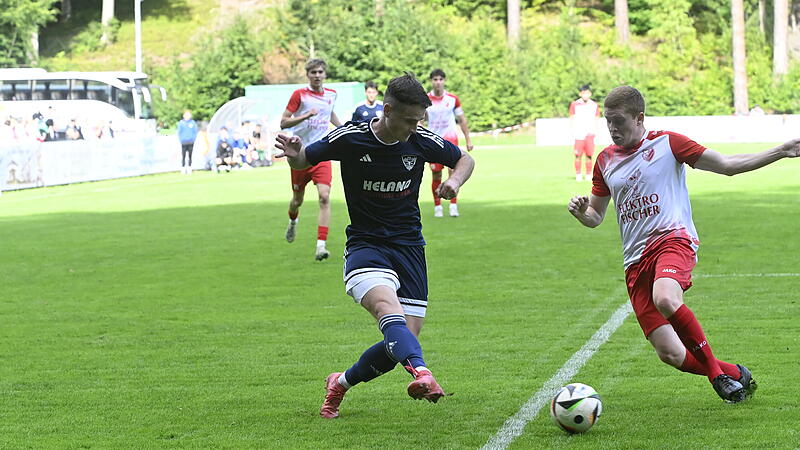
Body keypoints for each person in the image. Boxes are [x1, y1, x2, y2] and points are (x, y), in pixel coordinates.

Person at [568, 85, 800, 403]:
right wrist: (583, 213)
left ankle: (718, 378)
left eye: (618, 121)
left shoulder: (668, 143)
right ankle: (734, 373)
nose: (612, 128)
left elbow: (728, 165)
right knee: (671, 354)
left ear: (639, 118)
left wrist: (781, 151)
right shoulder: (605, 160)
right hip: (635, 262)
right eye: (607, 121)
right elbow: (596, 217)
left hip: (672, 240)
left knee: (665, 296)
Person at [275, 73, 475, 419]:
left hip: (410, 247)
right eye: (410, 120)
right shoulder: (352, 137)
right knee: (389, 313)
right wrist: (295, 156)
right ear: (386, 111)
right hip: (366, 247)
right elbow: (303, 157)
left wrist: (454, 181)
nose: (415, 127)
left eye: (419, 121)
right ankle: (422, 372)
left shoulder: (419, 139)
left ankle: (340, 383)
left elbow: (464, 159)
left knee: (400, 340)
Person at [280, 58, 342, 261]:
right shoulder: (300, 95)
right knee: (297, 200)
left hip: (321, 153)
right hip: (299, 155)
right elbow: (284, 122)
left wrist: (342, 129)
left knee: (324, 197)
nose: (317, 75)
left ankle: (320, 246)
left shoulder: (332, 95)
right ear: (308, 74)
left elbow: (329, 113)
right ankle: (292, 220)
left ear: (325, 74)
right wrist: (305, 115)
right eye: (313, 72)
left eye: (320, 72)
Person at [426, 69, 473, 217]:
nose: (438, 82)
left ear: (444, 81)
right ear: (431, 81)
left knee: (453, 174)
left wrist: (468, 139)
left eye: (440, 79)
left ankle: (453, 205)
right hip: (433, 142)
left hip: (450, 140)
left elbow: (462, 119)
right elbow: (420, 120)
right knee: (436, 175)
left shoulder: (452, 99)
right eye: (435, 79)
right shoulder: (426, 100)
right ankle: (438, 206)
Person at [569, 84, 601, 182]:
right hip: (579, 134)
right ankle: (578, 174)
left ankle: (588, 174)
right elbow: (572, 117)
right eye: (583, 93)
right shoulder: (575, 104)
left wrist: (594, 130)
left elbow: (596, 118)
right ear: (580, 94)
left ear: (590, 94)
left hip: (590, 134)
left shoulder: (594, 105)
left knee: (589, 155)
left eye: (587, 93)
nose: (585, 95)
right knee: (578, 155)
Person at [178, 110, 199, 175]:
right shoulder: (181, 123)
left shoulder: (193, 123)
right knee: (183, 155)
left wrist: (193, 139)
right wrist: (181, 139)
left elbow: (195, 131)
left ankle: (190, 167)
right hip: (184, 142)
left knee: (190, 155)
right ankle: (183, 168)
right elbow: (179, 132)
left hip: (191, 141)